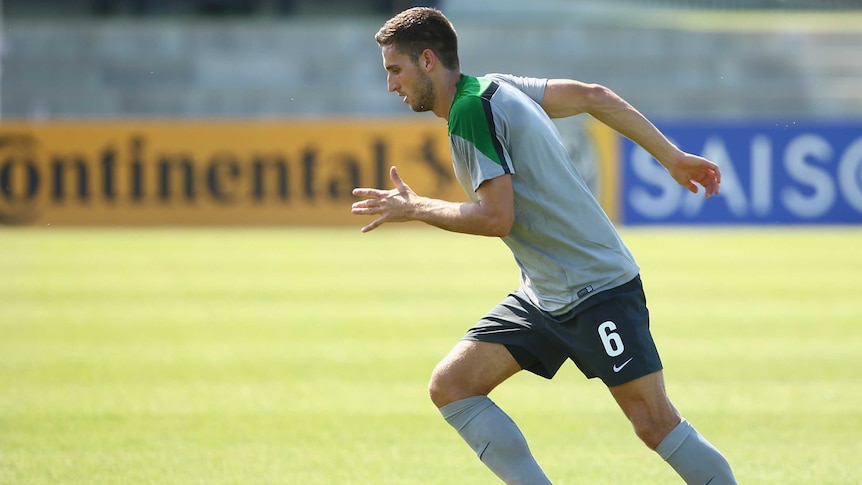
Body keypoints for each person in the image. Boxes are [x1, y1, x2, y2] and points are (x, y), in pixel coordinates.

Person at [352, 7, 737, 485]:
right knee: (453, 386)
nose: (391, 85)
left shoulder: (470, 111)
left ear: (428, 60)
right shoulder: (495, 85)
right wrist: (672, 158)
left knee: (655, 423)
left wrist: (416, 208)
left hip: (596, 289)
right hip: (544, 294)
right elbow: (592, 95)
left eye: (395, 70)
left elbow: (497, 217)